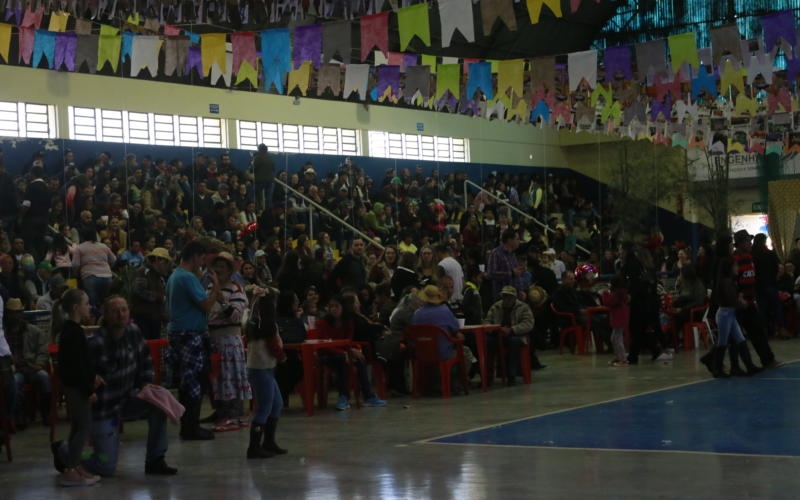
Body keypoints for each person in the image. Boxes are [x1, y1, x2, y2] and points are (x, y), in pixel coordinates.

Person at [52, 296, 177, 476]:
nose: (120, 315)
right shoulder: (96, 343)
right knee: (105, 467)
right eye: (115, 311)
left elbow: (146, 361)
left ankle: (155, 460)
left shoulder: (134, 331)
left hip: (127, 399)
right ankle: (65, 451)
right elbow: (80, 374)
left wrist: (146, 384)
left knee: (158, 405)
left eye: (124, 310)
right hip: (104, 409)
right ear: (105, 315)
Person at [166, 240, 220, 440]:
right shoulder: (187, 278)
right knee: (195, 380)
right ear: (196, 256)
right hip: (190, 334)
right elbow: (206, 305)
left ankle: (188, 425)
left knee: (186, 381)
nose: (203, 263)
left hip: (178, 332)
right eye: (202, 258)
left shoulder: (174, 276)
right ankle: (191, 427)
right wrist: (215, 287)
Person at [55, 288, 101, 486]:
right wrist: (88, 389)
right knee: (83, 427)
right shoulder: (72, 332)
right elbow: (77, 366)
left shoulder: (72, 330)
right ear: (76, 307)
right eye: (86, 303)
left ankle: (75, 464)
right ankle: (71, 468)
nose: (89, 307)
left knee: (78, 426)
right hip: (77, 387)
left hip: (75, 386)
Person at [316, 294, 387, 411]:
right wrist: (345, 353)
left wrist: (352, 350)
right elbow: (324, 345)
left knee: (359, 358)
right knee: (342, 360)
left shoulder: (348, 322)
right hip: (327, 354)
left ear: (342, 307)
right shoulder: (323, 323)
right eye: (331, 306)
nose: (333, 309)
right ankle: (343, 396)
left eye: (336, 306)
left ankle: (368, 396)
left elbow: (348, 341)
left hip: (343, 352)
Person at [206, 252, 252, 431]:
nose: (218, 270)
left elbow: (236, 315)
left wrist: (221, 300)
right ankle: (221, 412)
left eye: (222, 267)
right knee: (218, 377)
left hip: (229, 339)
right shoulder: (209, 288)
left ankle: (234, 414)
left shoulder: (236, 289)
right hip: (214, 338)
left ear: (229, 270)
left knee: (230, 376)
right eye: (216, 267)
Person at [701, 258, 762, 378]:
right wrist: (743, 303)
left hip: (728, 314)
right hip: (725, 315)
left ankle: (749, 366)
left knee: (739, 339)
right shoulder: (727, 282)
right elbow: (732, 301)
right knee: (723, 342)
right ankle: (717, 369)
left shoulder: (726, 282)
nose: (737, 268)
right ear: (729, 268)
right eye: (735, 266)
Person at [245, 290, 287, 459]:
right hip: (261, 369)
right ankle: (254, 447)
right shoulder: (267, 325)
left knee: (277, 404)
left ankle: (268, 442)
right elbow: (274, 346)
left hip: (265, 368)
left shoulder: (252, 323)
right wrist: (282, 357)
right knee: (264, 408)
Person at [732, 230, 779, 370]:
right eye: (747, 241)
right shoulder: (735, 259)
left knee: (758, 332)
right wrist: (738, 297)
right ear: (741, 243)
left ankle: (768, 360)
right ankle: (722, 362)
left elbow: (752, 279)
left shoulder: (750, 257)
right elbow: (733, 280)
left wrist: (753, 299)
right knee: (733, 337)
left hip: (750, 302)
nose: (750, 243)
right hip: (739, 304)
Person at [5, 298, 51, 426]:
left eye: (17, 312)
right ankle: (18, 415)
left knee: (44, 377)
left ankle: (46, 413)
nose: (14, 316)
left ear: (21, 313)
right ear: (7, 314)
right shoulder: (3, 333)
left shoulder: (33, 331)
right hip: (15, 369)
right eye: (11, 313)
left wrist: (39, 364)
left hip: (31, 366)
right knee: (13, 383)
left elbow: (43, 349)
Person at [484, 286, 535, 385]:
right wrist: (496, 329)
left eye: (509, 297)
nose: (506, 299)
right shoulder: (495, 307)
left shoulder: (523, 307)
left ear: (514, 298)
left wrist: (512, 330)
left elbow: (528, 323)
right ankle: (488, 376)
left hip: (517, 335)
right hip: (497, 335)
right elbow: (487, 321)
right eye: (504, 296)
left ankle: (511, 375)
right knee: (487, 342)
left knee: (514, 342)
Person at [71, 226, 116, 316]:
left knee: (92, 304)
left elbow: (75, 264)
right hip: (107, 277)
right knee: (106, 303)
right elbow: (114, 259)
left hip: (89, 276)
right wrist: (107, 268)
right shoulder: (103, 246)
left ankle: (94, 323)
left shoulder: (80, 248)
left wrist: (77, 274)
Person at [131, 248, 172, 340]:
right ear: (159, 260)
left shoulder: (159, 277)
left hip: (155, 320)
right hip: (143, 319)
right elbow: (138, 291)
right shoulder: (143, 272)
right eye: (166, 263)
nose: (167, 266)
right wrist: (159, 297)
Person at [486, 229, 524, 300]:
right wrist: (511, 273)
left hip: (514, 296)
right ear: (510, 240)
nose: (519, 242)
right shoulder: (496, 253)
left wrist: (520, 290)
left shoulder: (512, 255)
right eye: (517, 239)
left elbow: (516, 275)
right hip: (502, 297)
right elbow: (491, 273)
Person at [601, 275, 630, 367]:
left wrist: (605, 293)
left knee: (617, 339)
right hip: (619, 316)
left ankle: (623, 359)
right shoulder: (621, 292)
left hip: (619, 317)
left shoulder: (618, 293)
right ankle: (619, 357)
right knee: (614, 338)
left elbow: (609, 302)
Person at [252, 144, 275, 211]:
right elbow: (273, 168)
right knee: (268, 198)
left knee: (255, 194)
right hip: (270, 181)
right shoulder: (270, 157)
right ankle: (268, 212)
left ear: (259, 149)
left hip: (260, 181)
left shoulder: (257, 157)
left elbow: (253, 168)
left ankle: (258, 209)